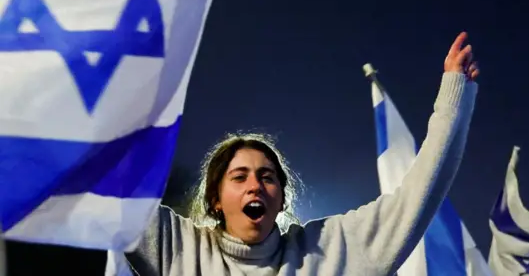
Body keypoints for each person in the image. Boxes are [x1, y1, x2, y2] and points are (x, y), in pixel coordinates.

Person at [125, 32, 480, 275]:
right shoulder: (177, 248)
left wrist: (454, 99)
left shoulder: (329, 251)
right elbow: (108, 175)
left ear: (281, 200)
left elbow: (417, 198)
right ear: (216, 200)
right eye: (239, 176)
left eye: (267, 177)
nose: (255, 186)